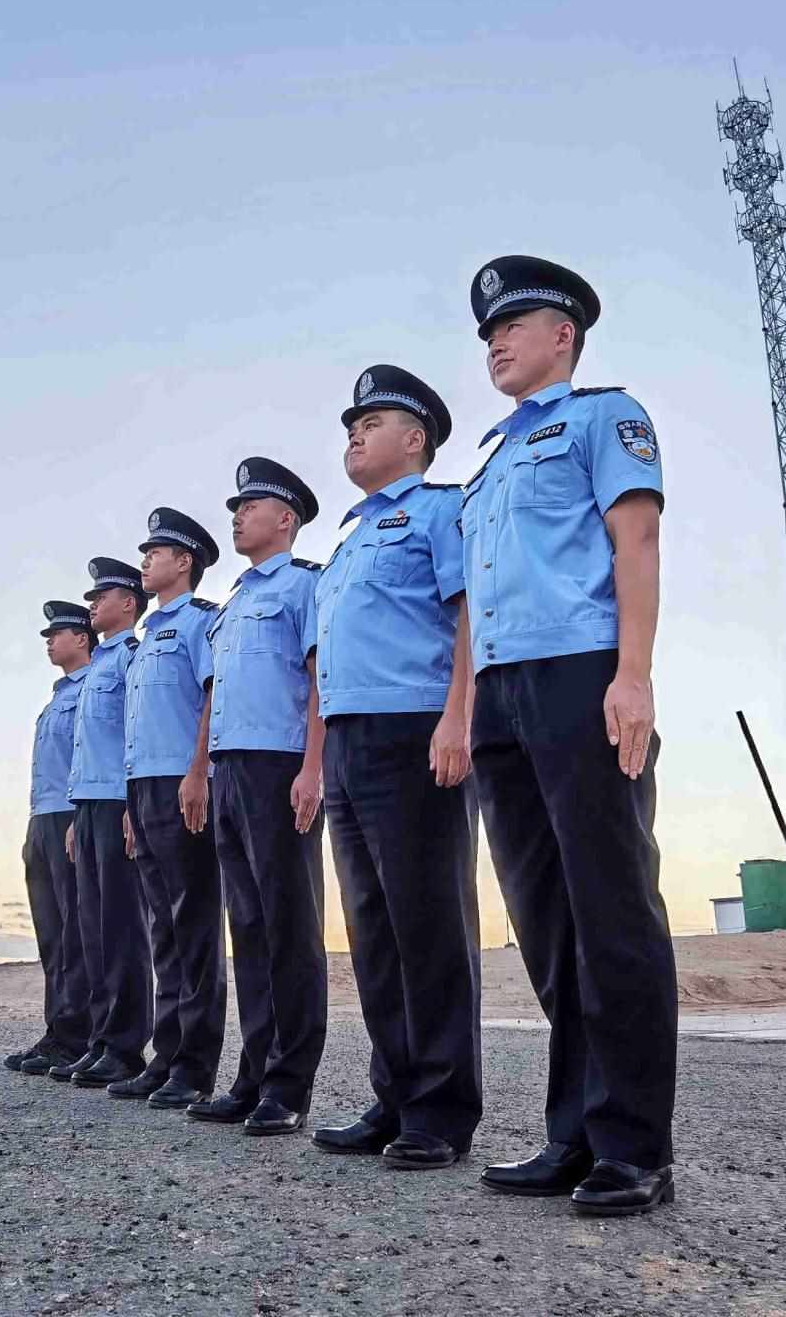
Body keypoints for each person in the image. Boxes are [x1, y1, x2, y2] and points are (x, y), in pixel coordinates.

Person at [458, 256, 676, 1215]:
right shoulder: (488, 464)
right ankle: (574, 1134)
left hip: (582, 674)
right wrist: (467, 708)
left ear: (564, 335)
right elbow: (474, 602)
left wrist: (633, 674)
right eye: (488, 333)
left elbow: (638, 540)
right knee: (547, 923)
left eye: (514, 324)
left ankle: (635, 1148)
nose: (497, 342)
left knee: (612, 912)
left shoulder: (602, 419)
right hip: (501, 693)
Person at [307, 365, 483, 1171]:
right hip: (349, 740)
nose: (354, 433)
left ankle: (441, 1111)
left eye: (370, 422)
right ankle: (396, 1095)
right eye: (351, 425)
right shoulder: (346, 541)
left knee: (428, 925)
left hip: (416, 728)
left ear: (414, 439)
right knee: (374, 931)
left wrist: (459, 715)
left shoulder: (441, 511)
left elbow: (469, 611)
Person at [186, 458, 327, 1137]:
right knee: (248, 929)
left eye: (251, 506)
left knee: (289, 927)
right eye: (236, 508)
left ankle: (288, 1084)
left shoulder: (304, 585)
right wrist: (202, 772)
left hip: (280, 767)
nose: (238, 516)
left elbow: (319, 677)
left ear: (286, 519)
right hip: (229, 772)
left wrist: (314, 767)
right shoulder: (234, 601)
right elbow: (215, 700)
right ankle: (252, 1075)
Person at [113, 508, 227, 1109]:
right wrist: (130, 802)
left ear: (184, 562)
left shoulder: (198, 623)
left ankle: (195, 1066)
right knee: (163, 928)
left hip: (183, 783)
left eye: (154, 553)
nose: (145, 561)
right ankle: (166, 1056)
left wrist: (198, 771)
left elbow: (211, 697)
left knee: (195, 927)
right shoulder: (145, 640)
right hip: (144, 788)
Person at [53, 558, 153, 1090]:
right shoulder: (98, 666)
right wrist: (76, 813)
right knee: (93, 928)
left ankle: (126, 1046)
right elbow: (86, 747)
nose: (92, 604)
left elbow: (137, 730)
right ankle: (100, 1040)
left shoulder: (132, 656)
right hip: (89, 804)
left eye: (102, 597)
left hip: (117, 801)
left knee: (122, 927)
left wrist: (134, 804)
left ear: (128, 604)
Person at [5, 601, 96, 1076]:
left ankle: (78, 1035)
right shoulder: (56, 698)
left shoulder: (93, 688)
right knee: (52, 934)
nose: (49, 642)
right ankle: (57, 1032)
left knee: (76, 931)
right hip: (42, 817)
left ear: (81, 638)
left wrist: (80, 816)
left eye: (56, 634)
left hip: (72, 814)